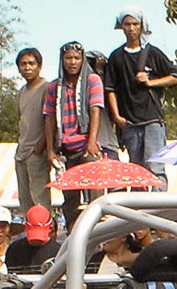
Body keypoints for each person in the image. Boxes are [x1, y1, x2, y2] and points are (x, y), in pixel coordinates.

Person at [104, 6, 177, 178]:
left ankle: (159, 204)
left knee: (156, 167)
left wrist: (151, 82)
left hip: (152, 118)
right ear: (121, 26)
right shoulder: (116, 56)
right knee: (136, 170)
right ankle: (138, 204)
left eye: (135, 24)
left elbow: (175, 77)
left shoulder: (152, 53)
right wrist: (116, 116)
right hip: (129, 121)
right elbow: (110, 89)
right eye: (127, 24)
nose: (131, 28)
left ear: (141, 26)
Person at [45, 41, 105, 228]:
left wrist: (92, 140)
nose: (72, 62)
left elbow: (95, 110)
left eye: (77, 58)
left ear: (82, 60)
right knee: (70, 199)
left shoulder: (93, 80)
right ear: (62, 60)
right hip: (64, 147)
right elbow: (48, 118)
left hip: (86, 144)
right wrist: (50, 150)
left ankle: (98, 231)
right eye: (68, 58)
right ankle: (73, 234)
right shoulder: (54, 87)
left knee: (96, 193)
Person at [14, 48, 50, 210]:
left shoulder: (47, 88)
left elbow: (51, 121)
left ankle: (46, 234)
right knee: (25, 200)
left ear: (39, 66)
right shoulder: (22, 91)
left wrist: (40, 147)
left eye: (31, 63)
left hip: (37, 152)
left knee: (40, 200)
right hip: (22, 152)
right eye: (23, 64)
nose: (27, 67)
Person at [86, 51, 122, 159]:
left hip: (107, 143)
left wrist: (100, 72)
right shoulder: (80, 88)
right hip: (87, 145)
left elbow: (103, 90)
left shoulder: (112, 90)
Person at [5, 206, 62, 273]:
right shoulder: (15, 249)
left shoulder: (59, 251)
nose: (36, 240)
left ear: (50, 228)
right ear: (25, 227)